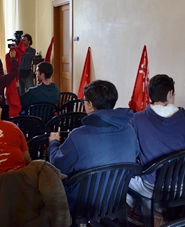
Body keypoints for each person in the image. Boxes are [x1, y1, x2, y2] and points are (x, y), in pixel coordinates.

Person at [48, 80, 139, 211]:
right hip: (118, 196)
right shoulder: (129, 130)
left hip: (83, 202)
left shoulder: (78, 135)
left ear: (89, 104)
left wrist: (53, 143)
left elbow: (57, 166)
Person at [127, 74, 185, 210]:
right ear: (170, 93)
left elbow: (131, 153)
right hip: (182, 186)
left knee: (122, 179)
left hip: (151, 187)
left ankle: (141, 209)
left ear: (149, 95)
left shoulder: (136, 120)